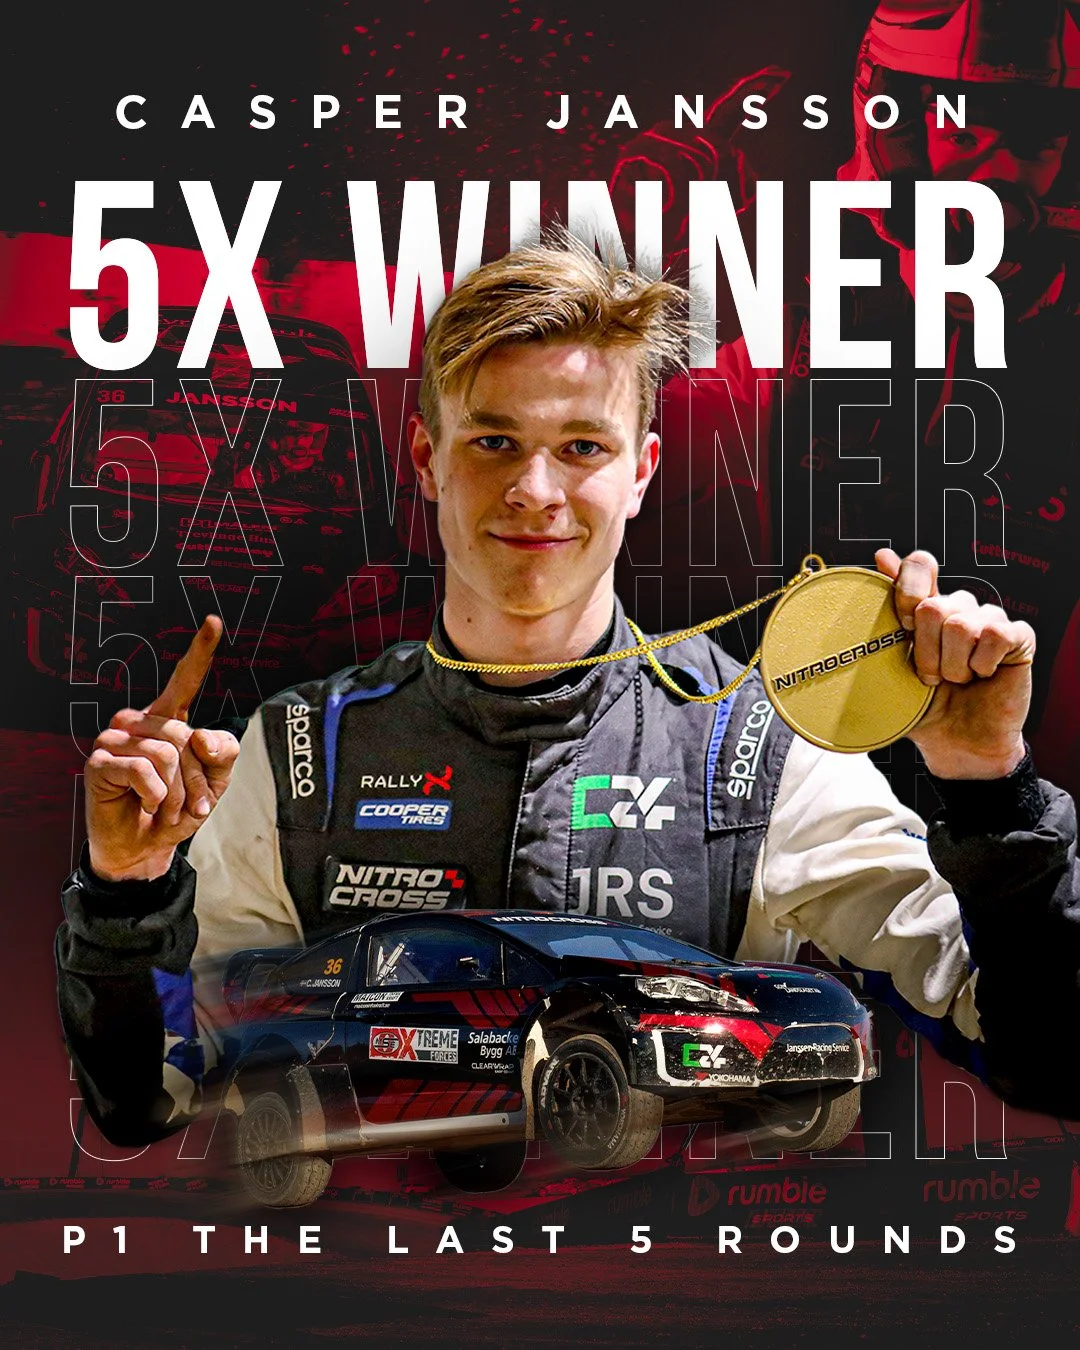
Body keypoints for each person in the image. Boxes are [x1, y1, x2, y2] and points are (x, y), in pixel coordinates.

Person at [56, 237, 1080, 1149]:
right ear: (427, 459)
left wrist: (992, 787)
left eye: (582, 447)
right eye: (493, 440)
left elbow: (1048, 1058)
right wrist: (127, 891)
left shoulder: (763, 755)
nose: (535, 492)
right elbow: (148, 1096)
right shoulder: (297, 754)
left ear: (641, 471)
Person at [609, 0, 1080, 803]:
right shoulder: (783, 293)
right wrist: (635, 263)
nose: (998, 169)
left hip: (991, 787)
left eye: (1036, 131)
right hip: (755, 777)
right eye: (966, 127)